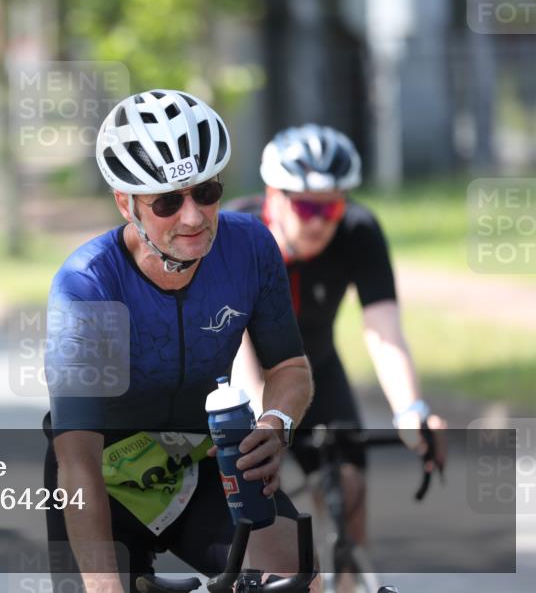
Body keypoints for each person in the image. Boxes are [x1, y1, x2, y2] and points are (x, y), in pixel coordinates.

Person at [44, 90, 315, 593]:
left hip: (209, 464)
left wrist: (277, 425)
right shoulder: (88, 286)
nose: (193, 217)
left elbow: (289, 369)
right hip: (102, 479)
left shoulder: (251, 246)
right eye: (168, 202)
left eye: (206, 192)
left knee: (299, 580)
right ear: (127, 204)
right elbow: (76, 460)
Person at [226, 124, 448, 549]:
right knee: (262, 529)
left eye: (332, 209)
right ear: (275, 196)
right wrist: (265, 420)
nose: (321, 222)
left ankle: (348, 575)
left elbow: (384, 331)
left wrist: (411, 410)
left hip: (318, 370)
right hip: (244, 376)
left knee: (350, 494)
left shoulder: (358, 231)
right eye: (308, 209)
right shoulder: (240, 234)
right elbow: (239, 344)